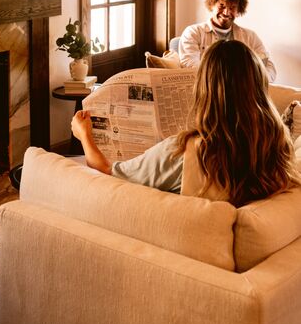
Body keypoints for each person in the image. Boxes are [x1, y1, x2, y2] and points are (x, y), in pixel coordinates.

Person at [71, 40, 299, 206]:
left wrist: (85, 135)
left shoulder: (184, 152)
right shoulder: (278, 146)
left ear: (205, 91)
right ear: (258, 87)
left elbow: (108, 171)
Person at [179, 0, 276, 81]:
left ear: (238, 12)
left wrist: (257, 83)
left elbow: (268, 66)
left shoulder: (250, 36)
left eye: (232, 8)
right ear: (212, 5)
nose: (226, 12)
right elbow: (190, 65)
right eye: (222, 6)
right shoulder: (193, 32)